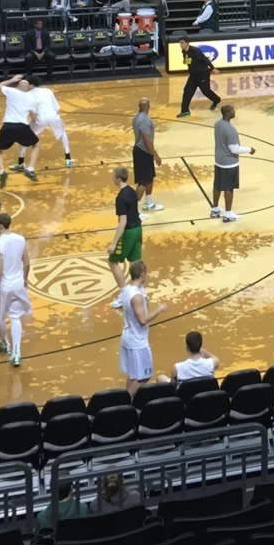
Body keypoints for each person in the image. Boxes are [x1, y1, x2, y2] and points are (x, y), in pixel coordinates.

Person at [0, 212, 32, 368]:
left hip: (4, 286)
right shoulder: (20, 239)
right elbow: (26, 263)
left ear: (0, 226)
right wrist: (25, 279)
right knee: (15, 317)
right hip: (19, 285)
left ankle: (5, 344)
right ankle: (16, 354)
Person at [118, 260, 166, 397]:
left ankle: (129, 404)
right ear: (143, 275)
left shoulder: (128, 290)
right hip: (137, 341)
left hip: (129, 336)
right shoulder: (136, 296)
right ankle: (125, 403)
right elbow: (143, 320)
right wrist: (159, 309)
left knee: (133, 375)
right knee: (144, 376)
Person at [0, 74, 39, 186]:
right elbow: (34, 118)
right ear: (28, 89)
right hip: (22, 127)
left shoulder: (11, 92)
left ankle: (2, 171)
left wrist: (12, 80)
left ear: (17, 86)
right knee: (36, 145)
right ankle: (31, 168)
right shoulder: (31, 99)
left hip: (8, 126)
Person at [107, 166, 143, 308]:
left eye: (113, 177)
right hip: (138, 229)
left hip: (128, 232)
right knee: (136, 263)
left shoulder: (120, 198)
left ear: (118, 179)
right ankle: (140, 293)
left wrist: (114, 243)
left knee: (112, 261)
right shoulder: (131, 191)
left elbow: (123, 221)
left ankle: (124, 295)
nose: (112, 179)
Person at [211, 104, 253, 221]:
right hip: (229, 163)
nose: (234, 111)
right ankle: (228, 214)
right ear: (228, 113)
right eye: (233, 110)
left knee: (217, 186)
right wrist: (249, 150)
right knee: (229, 188)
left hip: (219, 160)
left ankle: (215, 209)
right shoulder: (230, 129)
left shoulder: (218, 124)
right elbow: (234, 149)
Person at [28, 78, 73, 168]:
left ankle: (20, 162)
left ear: (31, 84)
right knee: (62, 134)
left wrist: (34, 121)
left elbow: (31, 112)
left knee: (25, 135)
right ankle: (68, 159)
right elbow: (57, 108)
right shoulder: (48, 91)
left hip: (40, 118)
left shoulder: (28, 94)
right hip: (53, 116)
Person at [130, 96, 162, 212]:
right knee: (143, 182)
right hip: (143, 152)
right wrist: (155, 155)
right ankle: (133, 211)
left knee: (149, 179)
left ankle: (148, 203)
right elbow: (146, 140)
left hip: (142, 151)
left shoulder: (136, 117)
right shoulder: (144, 120)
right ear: (148, 106)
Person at [175, 37, 220, 117]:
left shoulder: (195, 51)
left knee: (205, 91)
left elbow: (204, 59)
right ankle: (185, 111)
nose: (180, 45)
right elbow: (188, 61)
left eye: (182, 43)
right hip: (193, 76)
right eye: (180, 43)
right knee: (187, 91)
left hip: (202, 74)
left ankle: (216, 100)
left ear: (187, 43)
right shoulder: (184, 51)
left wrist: (213, 68)